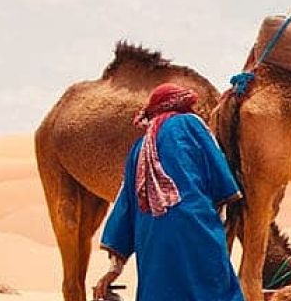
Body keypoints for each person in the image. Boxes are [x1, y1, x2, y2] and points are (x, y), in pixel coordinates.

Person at [92, 83, 244, 301]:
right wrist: (217, 224)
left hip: (153, 243)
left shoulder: (139, 147)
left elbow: (125, 205)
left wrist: (114, 269)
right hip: (196, 226)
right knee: (216, 291)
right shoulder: (191, 124)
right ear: (181, 106)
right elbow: (219, 175)